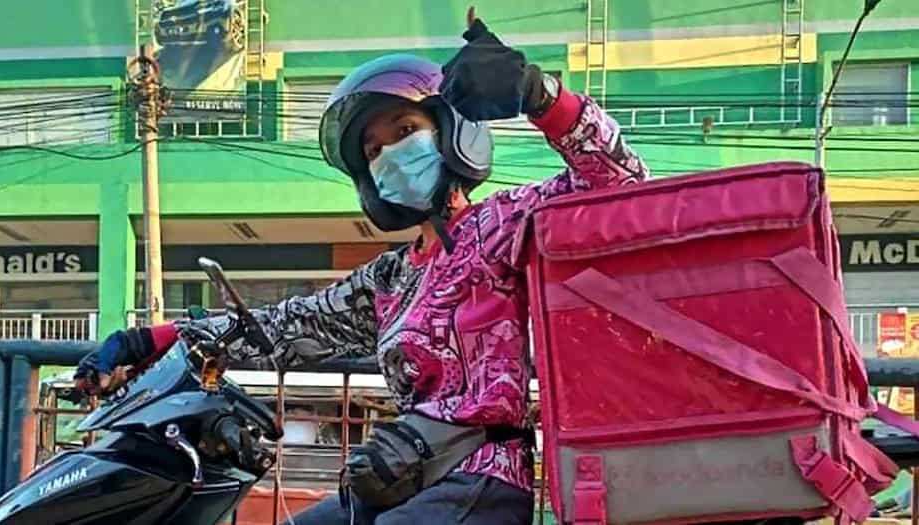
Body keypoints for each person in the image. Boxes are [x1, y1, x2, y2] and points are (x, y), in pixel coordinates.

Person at [75, 11, 648, 525]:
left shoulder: (504, 226)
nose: (390, 156)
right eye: (374, 151)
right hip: (401, 476)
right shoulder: (390, 280)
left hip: (483, 481)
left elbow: (620, 187)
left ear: (448, 134)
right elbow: (278, 328)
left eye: (404, 133)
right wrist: (143, 340)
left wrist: (539, 94)